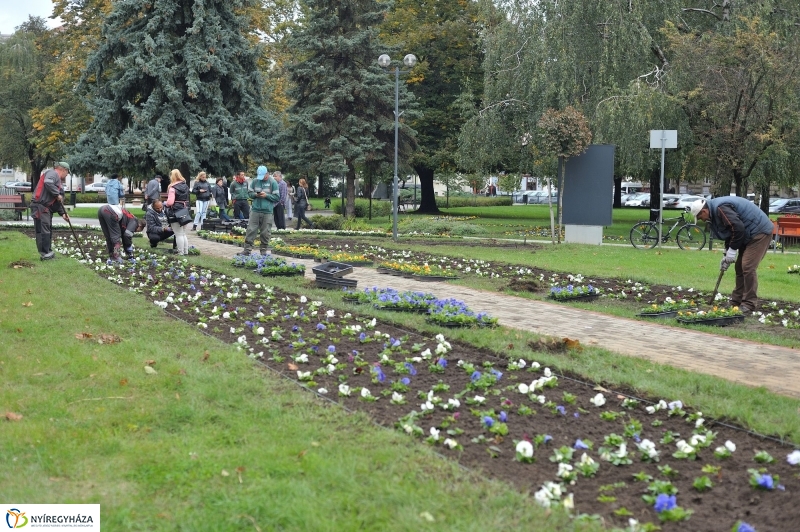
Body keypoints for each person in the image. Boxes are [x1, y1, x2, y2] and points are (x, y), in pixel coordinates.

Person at [690, 197, 774, 314]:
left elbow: (738, 228)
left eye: (699, 217)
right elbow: (729, 232)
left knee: (748, 266)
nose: (701, 220)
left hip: (759, 232)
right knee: (739, 267)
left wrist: (732, 250)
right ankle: (736, 301)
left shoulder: (721, 208)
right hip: (747, 234)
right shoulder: (715, 212)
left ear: (704, 211)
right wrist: (726, 254)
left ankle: (749, 303)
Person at [30, 161, 70, 260]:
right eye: (67, 172)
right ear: (63, 170)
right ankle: (45, 254)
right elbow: (48, 183)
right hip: (40, 206)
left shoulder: (58, 180)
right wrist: (57, 194)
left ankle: (48, 253)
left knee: (47, 230)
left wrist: (63, 213)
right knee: (43, 231)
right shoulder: (52, 173)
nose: (67, 174)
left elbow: (57, 200)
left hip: (46, 208)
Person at [239, 165, 279, 256]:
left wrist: (267, 196)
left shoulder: (273, 183)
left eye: (263, 176)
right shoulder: (255, 181)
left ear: (267, 174)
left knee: (265, 231)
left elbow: (277, 197)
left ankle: (263, 250)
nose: (261, 178)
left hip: (267, 211)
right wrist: (255, 195)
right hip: (255, 210)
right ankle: (247, 250)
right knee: (251, 229)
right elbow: (249, 193)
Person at [165, 169, 191, 255]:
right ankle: (186, 251)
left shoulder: (172, 188)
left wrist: (165, 203)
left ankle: (180, 252)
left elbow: (170, 202)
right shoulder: (186, 186)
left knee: (178, 234)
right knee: (183, 233)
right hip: (185, 211)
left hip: (176, 212)